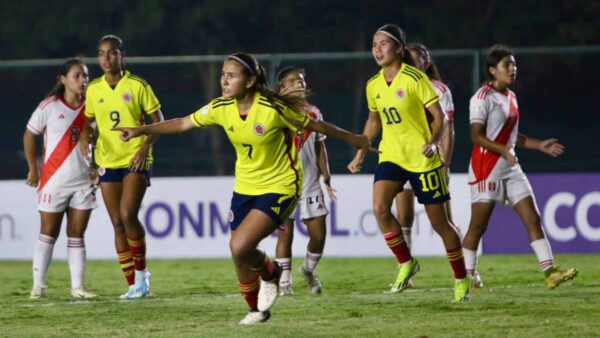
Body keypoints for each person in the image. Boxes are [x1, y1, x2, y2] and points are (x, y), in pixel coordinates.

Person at [114, 52, 375, 324]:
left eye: (231, 75)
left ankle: (272, 273)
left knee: (240, 246)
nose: (223, 81)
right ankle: (256, 310)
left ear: (250, 81)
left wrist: (355, 139)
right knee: (239, 254)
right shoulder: (221, 107)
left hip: (281, 186)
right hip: (245, 187)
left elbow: (316, 125)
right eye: (222, 75)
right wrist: (141, 130)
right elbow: (181, 122)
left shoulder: (273, 109)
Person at [348, 24, 470, 303]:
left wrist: (432, 142)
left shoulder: (415, 78)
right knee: (380, 208)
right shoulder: (373, 84)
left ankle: (461, 277)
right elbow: (373, 120)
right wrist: (361, 153)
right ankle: (406, 261)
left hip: (422, 159)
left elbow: (441, 118)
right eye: (374, 44)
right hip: (391, 155)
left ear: (399, 49)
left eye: (383, 44)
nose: (377, 49)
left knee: (442, 225)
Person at [462, 44, 577, 289]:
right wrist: (503, 150)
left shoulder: (511, 97)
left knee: (533, 218)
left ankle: (550, 273)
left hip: (510, 166)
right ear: (492, 70)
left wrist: (540, 145)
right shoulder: (482, 98)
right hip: (487, 167)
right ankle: (465, 276)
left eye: (514, 64)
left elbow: (513, 136)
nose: (513, 69)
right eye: (507, 65)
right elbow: (476, 136)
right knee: (478, 227)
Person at [80, 35, 164, 299]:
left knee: (128, 215)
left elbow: (158, 120)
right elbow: (89, 122)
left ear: (121, 56)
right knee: (117, 223)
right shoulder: (94, 88)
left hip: (134, 158)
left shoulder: (137, 85)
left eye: (112, 53)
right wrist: (86, 137)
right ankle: (132, 285)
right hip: (107, 160)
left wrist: (144, 147)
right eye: (102, 53)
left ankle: (142, 277)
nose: (106, 58)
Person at [23, 58, 98, 299]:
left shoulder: (93, 107)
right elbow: (29, 135)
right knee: (48, 232)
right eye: (77, 75)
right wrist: (33, 170)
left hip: (84, 181)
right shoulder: (49, 106)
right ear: (63, 79)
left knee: (77, 234)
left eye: (85, 75)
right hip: (54, 181)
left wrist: (98, 166)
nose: (82, 80)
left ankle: (77, 287)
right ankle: (39, 286)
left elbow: (103, 139)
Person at [274, 67, 337, 296]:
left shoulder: (314, 113)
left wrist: (326, 175)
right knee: (285, 234)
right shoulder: (275, 113)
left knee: (319, 235)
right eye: (292, 81)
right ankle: (284, 283)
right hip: (283, 183)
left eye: (301, 81)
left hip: (310, 182)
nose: (299, 84)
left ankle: (308, 270)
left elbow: (320, 145)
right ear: (281, 87)